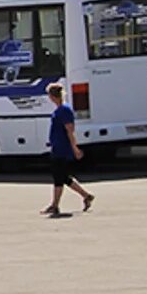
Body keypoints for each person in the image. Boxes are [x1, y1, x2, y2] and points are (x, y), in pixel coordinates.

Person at [44, 82, 95, 216]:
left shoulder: (64, 110)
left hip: (62, 148)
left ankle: (55, 206)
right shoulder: (60, 109)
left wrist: (75, 148)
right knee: (64, 177)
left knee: (58, 177)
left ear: (52, 96)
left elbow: (69, 130)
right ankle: (86, 196)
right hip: (57, 146)